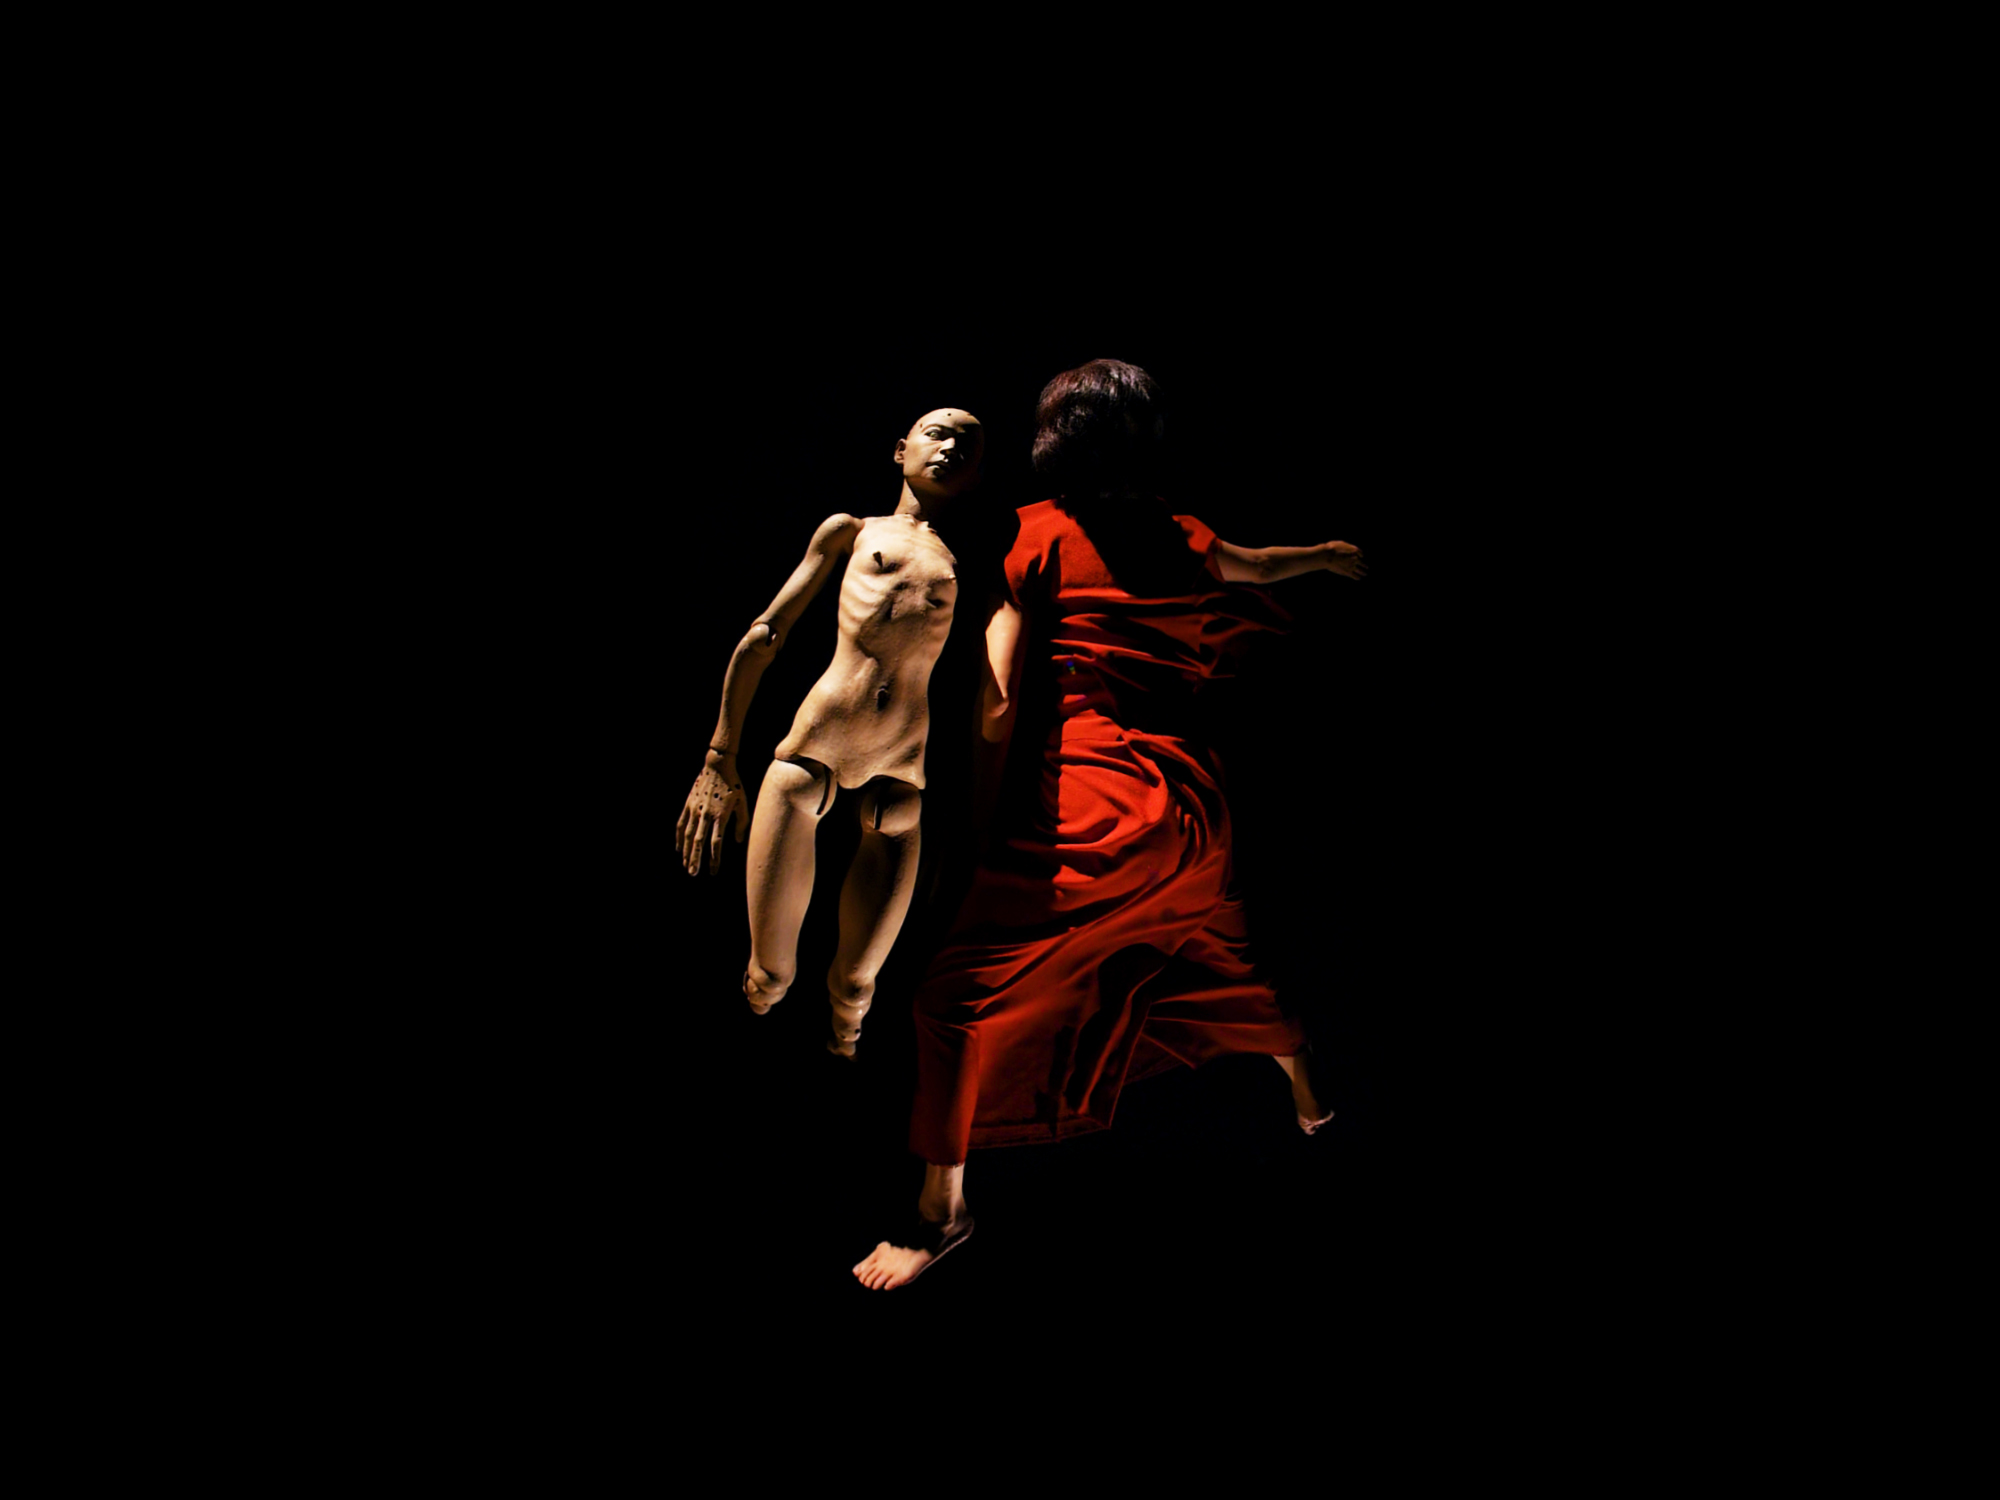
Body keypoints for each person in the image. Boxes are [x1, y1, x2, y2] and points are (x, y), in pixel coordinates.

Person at [852, 361, 1365, 1290]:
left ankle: (941, 1213)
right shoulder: (1182, 529)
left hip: (1100, 806)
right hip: (1194, 805)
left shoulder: (1035, 533)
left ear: (1056, 445)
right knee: (1217, 944)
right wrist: (1325, 555)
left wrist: (979, 803)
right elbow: (1253, 566)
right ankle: (1306, 1085)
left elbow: (998, 697)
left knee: (952, 1000)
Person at [676, 408, 986, 1059]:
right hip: (815, 748)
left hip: (901, 771)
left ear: (977, 473)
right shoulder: (854, 530)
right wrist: (718, 757)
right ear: (900, 449)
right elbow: (766, 634)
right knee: (768, 978)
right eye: (937, 432)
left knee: (855, 994)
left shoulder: (970, 564)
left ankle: (839, 1064)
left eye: (968, 443)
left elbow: (986, 689)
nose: (951, 447)